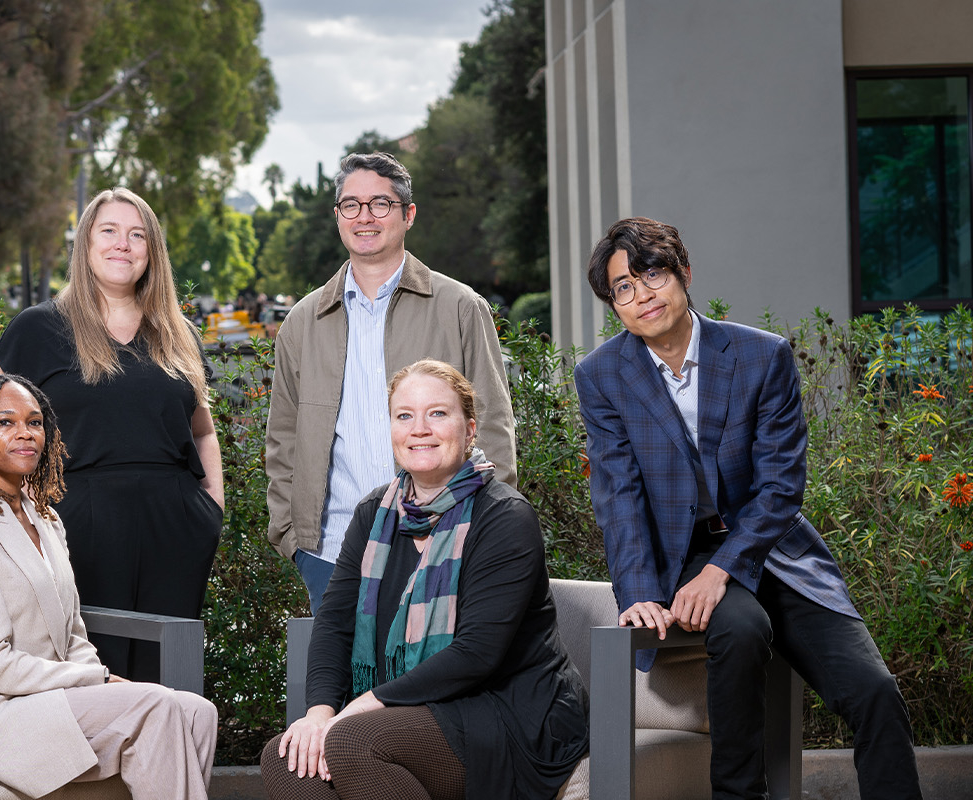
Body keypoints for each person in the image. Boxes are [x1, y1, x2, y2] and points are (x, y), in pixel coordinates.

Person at [574, 217, 922, 799]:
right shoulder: (602, 375)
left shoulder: (762, 355)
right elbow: (619, 495)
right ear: (615, 306)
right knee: (740, 627)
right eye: (623, 287)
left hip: (775, 547)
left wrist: (724, 569)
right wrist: (637, 593)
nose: (642, 295)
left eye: (652, 274)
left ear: (684, 273)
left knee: (874, 691)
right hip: (685, 553)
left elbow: (781, 486)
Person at [262, 360, 588, 800]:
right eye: (404, 415)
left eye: (437, 413)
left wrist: (360, 706)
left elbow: (476, 654)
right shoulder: (374, 514)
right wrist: (319, 713)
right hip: (415, 711)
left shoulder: (504, 516)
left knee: (353, 740)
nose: (420, 429)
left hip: (508, 712)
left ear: (469, 430)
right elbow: (335, 622)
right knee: (286, 757)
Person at [0, 373, 216, 798]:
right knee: (157, 705)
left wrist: (98, 679)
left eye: (34, 422)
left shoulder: (47, 520)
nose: (25, 433)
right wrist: (99, 680)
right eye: (5, 422)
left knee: (198, 712)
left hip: (50, 697)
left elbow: (74, 635)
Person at [265, 152, 517, 614]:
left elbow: (493, 427)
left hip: (442, 546)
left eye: (380, 203)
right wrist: (292, 537)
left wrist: (486, 531)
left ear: (408, 214)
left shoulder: (460, 307)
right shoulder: (302, 322)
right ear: (337, 216)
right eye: (351, 205)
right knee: (339, 665)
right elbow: (282, 437)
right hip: (330, 555)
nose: (364, 217)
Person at [0, 187, 222, 681]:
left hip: (175, 526)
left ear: (152, 250)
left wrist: (211, 510)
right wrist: (18, 519)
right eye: (109, 231)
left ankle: (169, 738)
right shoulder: (37, 329)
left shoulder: (177, 333)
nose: (123, 244)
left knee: (168, 675)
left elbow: (202, 431)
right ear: (86, 244)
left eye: (137, 235)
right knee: (86, 671)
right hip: (74, 521)